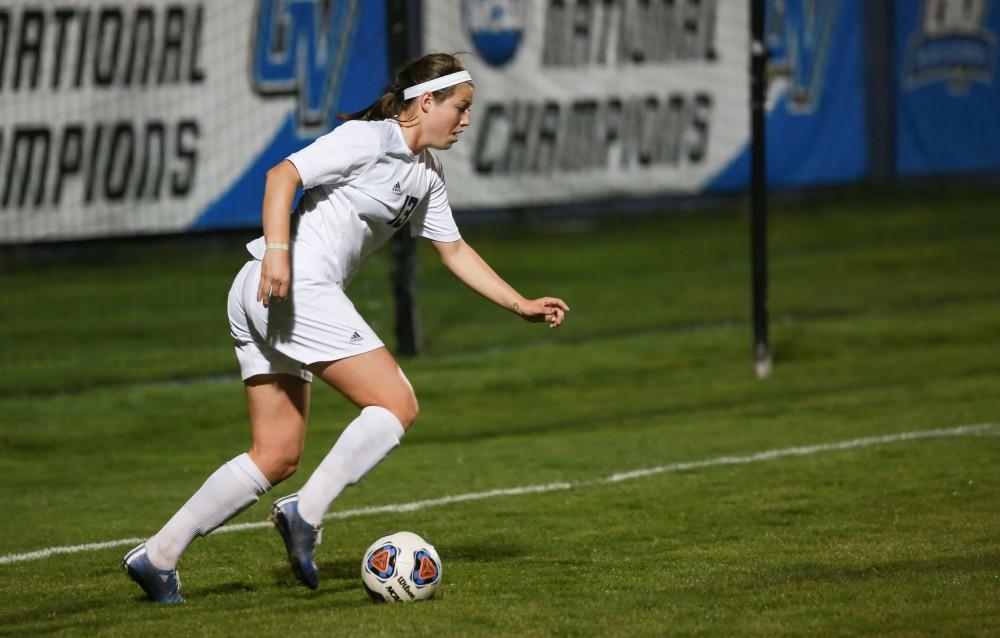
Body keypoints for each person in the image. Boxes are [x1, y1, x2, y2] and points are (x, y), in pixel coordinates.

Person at [122, 53, 569, 603]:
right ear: (425, 101)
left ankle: (159, 556)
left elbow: (453, 249)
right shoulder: (368, 140)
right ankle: (304, 513)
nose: (466, 120)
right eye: (461, 107)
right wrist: (280, 253)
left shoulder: (427, 172)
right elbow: (281, 175)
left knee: (277, 453)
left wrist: (519, 303)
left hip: (271, 294)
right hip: (288, 284)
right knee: (397, 403)